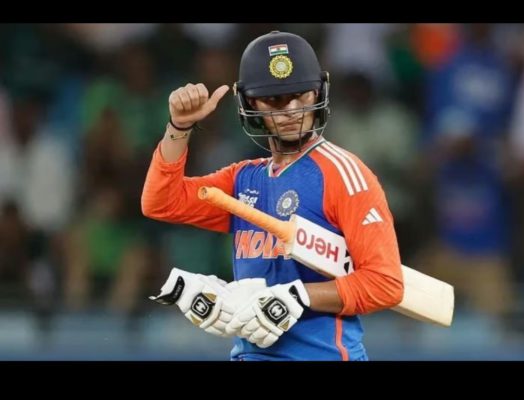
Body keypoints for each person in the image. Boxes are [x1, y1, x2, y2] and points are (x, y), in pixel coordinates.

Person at [142, 31, 404, 361]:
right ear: (250, 103)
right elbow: (161, 202)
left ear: (318, 92)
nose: (291, 110)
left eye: (300, 95)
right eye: (275, 100)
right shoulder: (244, 179)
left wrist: (297, 296)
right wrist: (179, 128)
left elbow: (385, 284)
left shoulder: (344, 174)